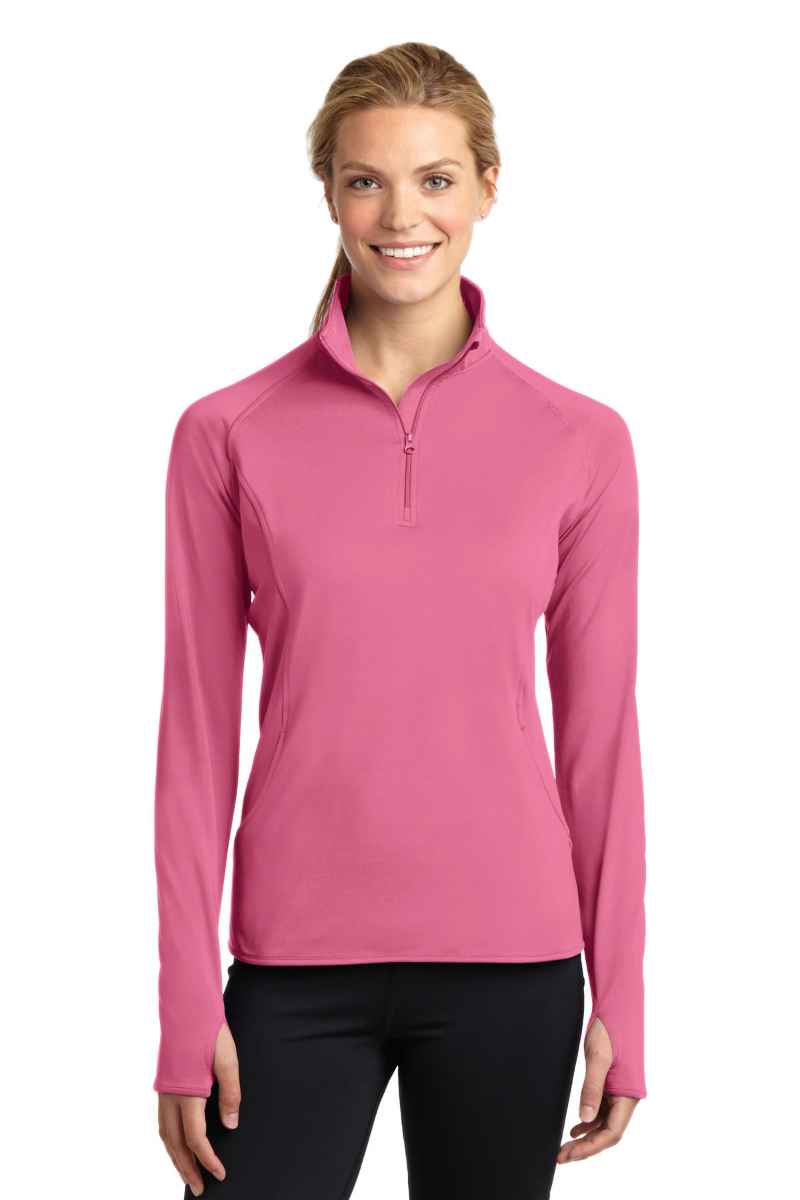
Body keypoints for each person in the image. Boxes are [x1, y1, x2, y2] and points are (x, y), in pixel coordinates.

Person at [153, 41, 647, 1200]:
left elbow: (599, 742)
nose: (400, 215)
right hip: (290, 968)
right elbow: (194, 739)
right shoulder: (227, 434)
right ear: (328, 193)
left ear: (485, 188)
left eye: (434, 179)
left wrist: (620, 996)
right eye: (366, 180)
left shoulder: (579, 441)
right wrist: (183, 1006)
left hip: (513, 966)